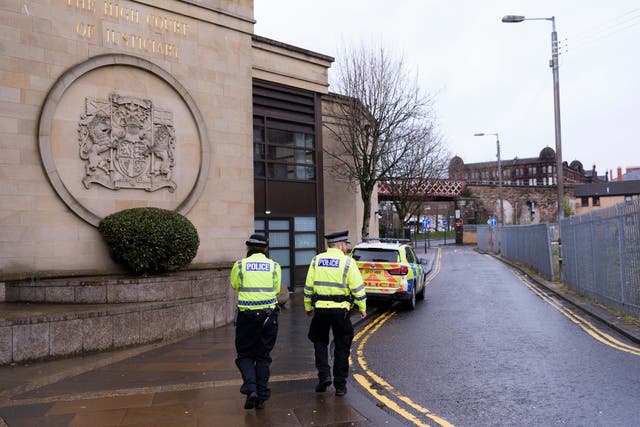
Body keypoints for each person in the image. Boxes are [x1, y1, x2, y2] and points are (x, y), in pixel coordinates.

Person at [304, 230, 367, 396]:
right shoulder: (348, 263)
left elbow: (308, 286)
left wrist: (308, 307)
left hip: (321, 310)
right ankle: (340, 385)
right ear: (339, 245)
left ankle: (324, 375)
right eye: (345, 244)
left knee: (319, 341)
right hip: (341, 312)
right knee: (342, 346)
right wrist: (362, 307)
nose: (346, 247)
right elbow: (357, 288)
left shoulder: (316, 260)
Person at [230, 233, 281, 410]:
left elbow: (235, 285)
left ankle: (251, 389)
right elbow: (275, 289)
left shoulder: (240, 265)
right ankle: (261, 396)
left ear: (248, 248)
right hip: (268, 317)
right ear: (265, 249)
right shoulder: (274, 266)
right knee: (263, 357)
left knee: (244, 355)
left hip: (247, 317)